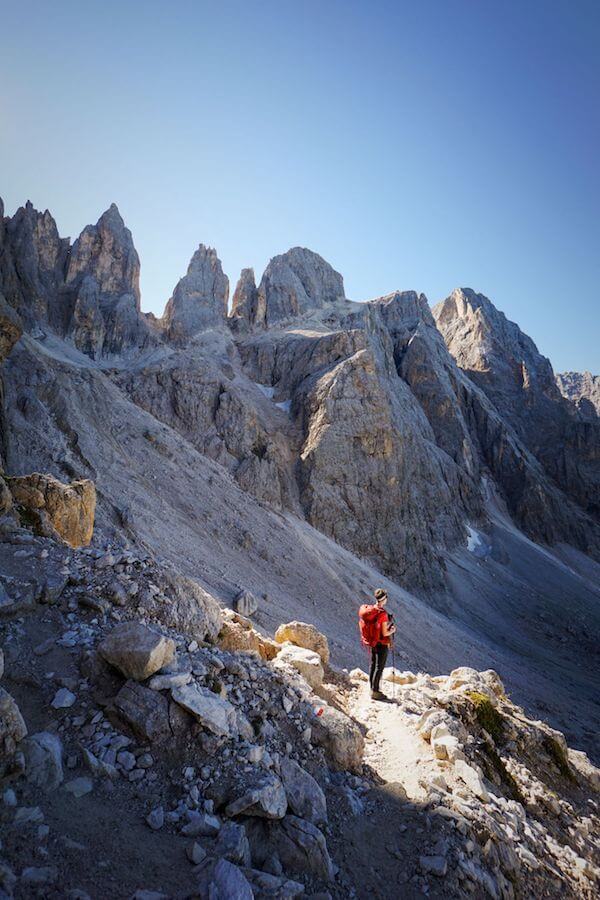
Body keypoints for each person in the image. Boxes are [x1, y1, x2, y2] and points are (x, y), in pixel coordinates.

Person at [361, 588, 396, 700]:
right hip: (381, 643)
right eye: (386, 598)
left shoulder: (372, 610)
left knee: (373, 664)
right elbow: (385, 632)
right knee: (379, 667)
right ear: (384, 599)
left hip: (373, 642)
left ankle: (372, 687)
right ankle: (376, 692)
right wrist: (392, 630)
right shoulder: (383, 614)